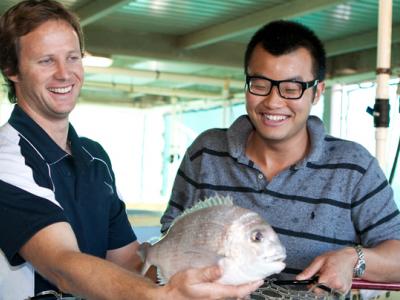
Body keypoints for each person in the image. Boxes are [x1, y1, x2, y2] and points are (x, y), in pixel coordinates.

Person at [0, 1, 263, 299]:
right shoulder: (6, 157)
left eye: (72, 58)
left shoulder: (94, 157)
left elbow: (128, 265)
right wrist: (164, 296)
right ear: (12, 70)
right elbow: (62, 266)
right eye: (46, 61)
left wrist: (212, 264)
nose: (64, 73)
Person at [160, 20, 400, 295]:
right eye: (260, 84)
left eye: (291, 88)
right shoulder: (206, 152)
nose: (273, 102)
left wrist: (353, 259)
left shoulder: (354, 167)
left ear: (317, 92)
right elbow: (172, 236)